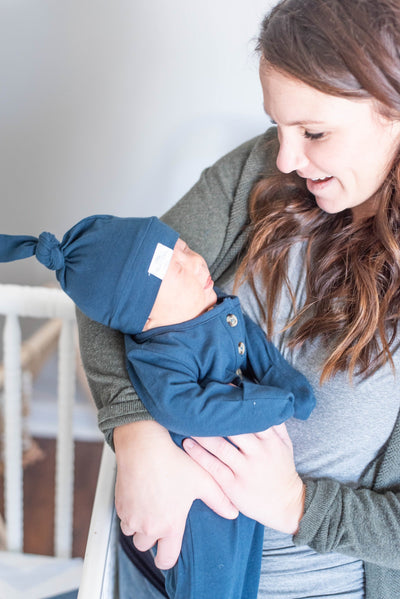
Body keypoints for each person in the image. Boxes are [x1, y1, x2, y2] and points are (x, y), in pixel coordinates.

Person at [76, 0, 400, 597]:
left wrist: (298, 504)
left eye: (314, 132)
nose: (285, 157)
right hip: (159, 567)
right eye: (278, 125)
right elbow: (108, 281)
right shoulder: (263, 173)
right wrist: (135, 430)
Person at [0, 214, 315, 598]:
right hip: (200, 497)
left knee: (244, 576)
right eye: (176, 270)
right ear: (146, 317)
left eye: (183, 248)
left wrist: (291, 387)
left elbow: (257, 350)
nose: (197, 262)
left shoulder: (212, 308)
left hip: (242, 488)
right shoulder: (158, 358)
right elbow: (188, 409)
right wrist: (271, 404)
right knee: (209, 584)